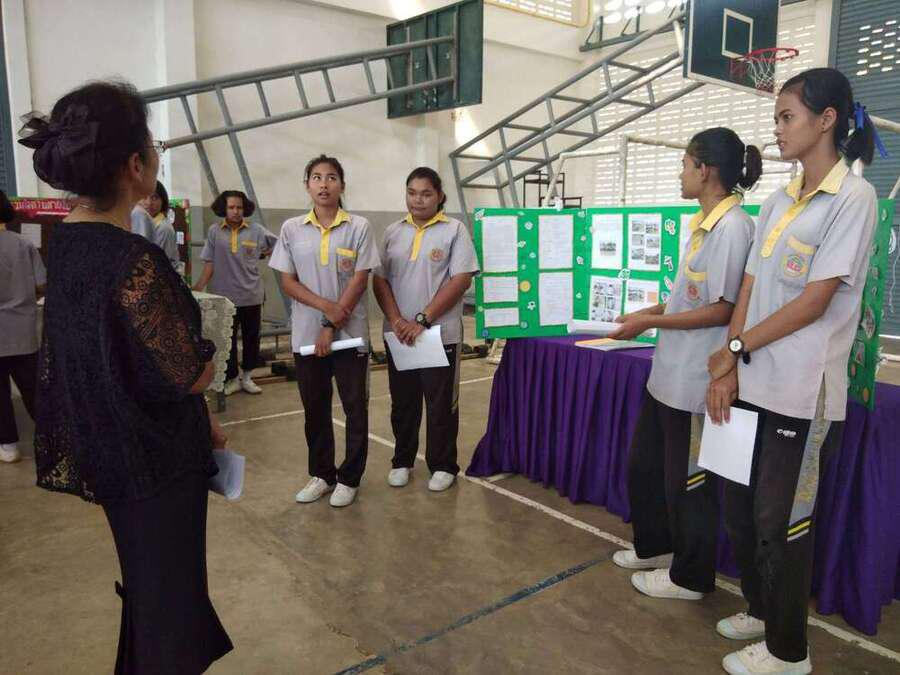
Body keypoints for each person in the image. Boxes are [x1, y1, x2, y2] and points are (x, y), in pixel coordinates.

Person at [18, 80, 232, 674]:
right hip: (153, 462)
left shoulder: (68, 242)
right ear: (135, 165)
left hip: (109, 448)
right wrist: (207, 360)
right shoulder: (131, 259)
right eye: (153, 145)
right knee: (169, 604)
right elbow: (187, 371)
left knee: (148, 589)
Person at [706, 68, 879, 675]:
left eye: (787, 117)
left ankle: (788, 653)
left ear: (826, 120)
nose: (776, 129)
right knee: (743, 507)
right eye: (776, 118)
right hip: (753, 378)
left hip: (802, 393)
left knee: (782, 520)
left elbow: (816, 300)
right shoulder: (779, 199)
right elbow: (752, 283)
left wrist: (738, 344)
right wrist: (731, 359)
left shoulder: (853, 198)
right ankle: (761, 609)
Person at [609, 129, 762, 604]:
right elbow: (689, 297)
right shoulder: (703, 223)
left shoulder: (733, 227)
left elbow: (723, 309)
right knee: (645, 467)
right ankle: (656, 548)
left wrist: (652, 322)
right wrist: (649, 312)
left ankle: (692, 578)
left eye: (684, 164)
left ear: (705, 170)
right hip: (667, 375)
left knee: (689, 483)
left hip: (697, 378)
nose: (680, 173)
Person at [269, 154, 379, 508]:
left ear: (342, 185)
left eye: (331, 177)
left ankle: (349, 478)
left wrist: (331, 324)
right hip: (306, 337)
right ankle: (322, 474)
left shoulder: (359, 227)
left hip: (350, 336)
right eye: (316, 177)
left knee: (355, 408)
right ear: (307, 185)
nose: (324, 184)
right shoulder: (291, 229)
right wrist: (326, 308)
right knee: (314, 408)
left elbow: (360, 280)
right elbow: (288, 282)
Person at [372, 167, 479, 492]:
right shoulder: (393, 232)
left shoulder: (454, 230)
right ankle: (402, 461)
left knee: (440, 403)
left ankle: (443, 465)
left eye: (426, 194)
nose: (417, 200)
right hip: (400, 335)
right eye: (412, 193)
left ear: (439, 196)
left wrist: (422, 320)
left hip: (439, 335)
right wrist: (397, 320)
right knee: (403, 403)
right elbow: (380, 280)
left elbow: (461, 280)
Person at [193, 190, 276, 396]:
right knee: (226, 340)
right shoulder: (214, 231)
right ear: (224, 208)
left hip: (251, 295)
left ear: (245, 209)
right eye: (231, 207)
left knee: (251, 338)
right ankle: (232, 378)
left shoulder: (256, 230)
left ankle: (247, 377)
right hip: (223, 297)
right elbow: (209, 262)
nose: (236, 211)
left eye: (239, 207)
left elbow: (278, 244)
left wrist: (264, 254)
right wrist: (198, 287)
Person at [0, 189, 46, 464]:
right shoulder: (23, 244)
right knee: (34, 390)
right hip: (23, 331)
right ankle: (53, 438)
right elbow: (41, 284)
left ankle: (8, 446)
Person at [139, 180, 181, 272]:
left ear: (163, 201)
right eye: (144, 197)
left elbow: (155, 263)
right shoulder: (143, 222)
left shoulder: (163, 228)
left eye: (154, 198)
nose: (149, 203)